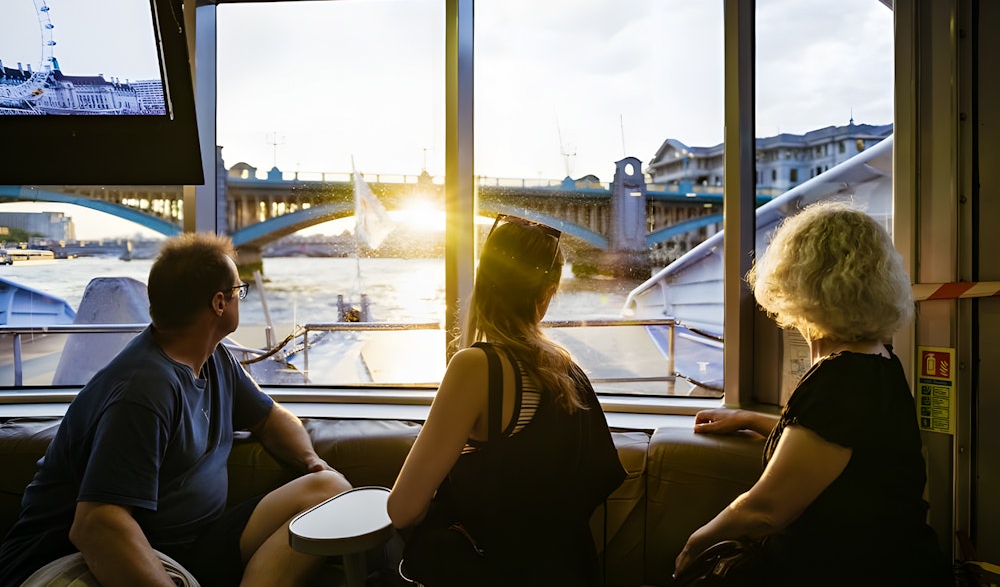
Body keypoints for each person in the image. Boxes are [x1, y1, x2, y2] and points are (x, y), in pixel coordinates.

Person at [0, 233, 352, 587]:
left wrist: (311, 463)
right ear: (219, 303)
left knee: (328, 489)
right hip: (71, 559)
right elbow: (97, 525)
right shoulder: (143, 391)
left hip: (192, 545)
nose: (239, 298)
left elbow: (270, 417)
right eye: (238, 291)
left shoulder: (215, 359)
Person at [674, 202, 952, 586]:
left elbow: (766, 511)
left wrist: (693, 546)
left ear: (797, 282)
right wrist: (752, 419)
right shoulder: (878, 358)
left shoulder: (841, 377)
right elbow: (840, 441)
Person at [387, 214, 625, 586]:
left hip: (494, 569)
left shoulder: (477, 367)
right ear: (547, 293)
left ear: (483, 284)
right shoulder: (566, 370)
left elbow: (401, 510)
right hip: (569, 569)